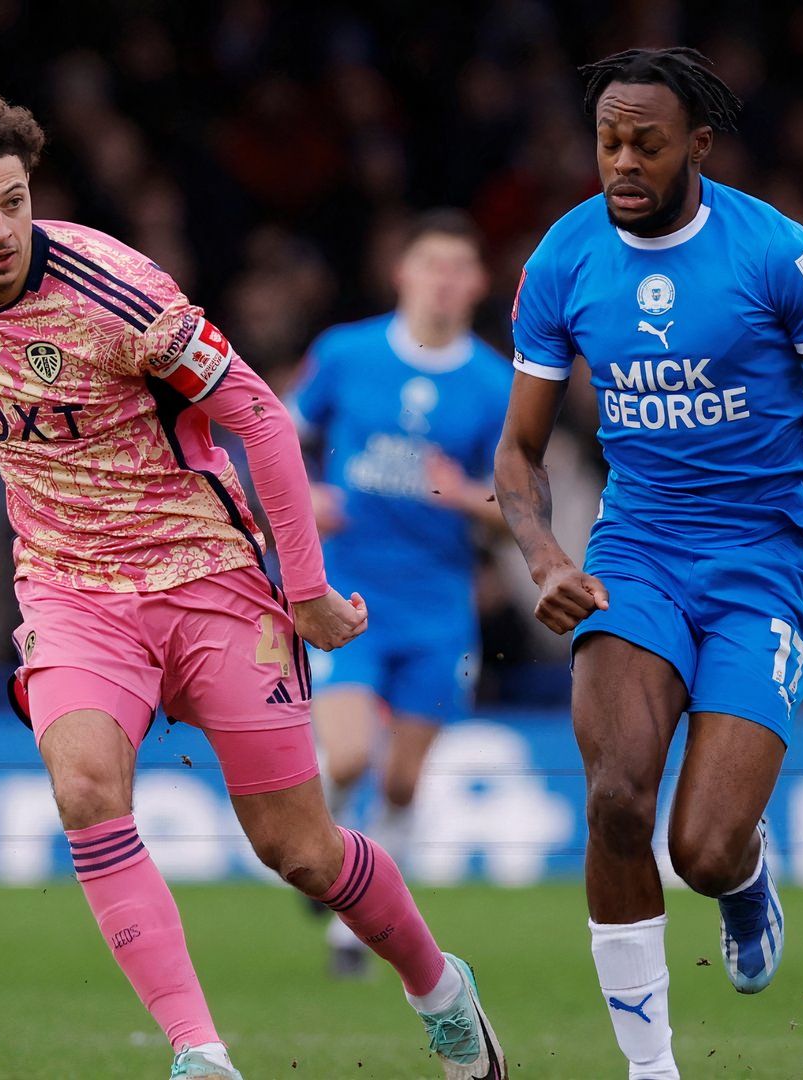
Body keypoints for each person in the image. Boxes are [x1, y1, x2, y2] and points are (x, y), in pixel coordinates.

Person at [0, 93, 505, 1080]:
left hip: (209, 583)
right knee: (86, 789)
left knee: (302, 852)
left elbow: (265, 423)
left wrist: (308, 586)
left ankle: (438, 988)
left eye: (13, 204)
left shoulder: (123, 296)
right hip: (70, 590)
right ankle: (201, 1055)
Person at [494, 48, 803, 1080]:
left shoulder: (781, 256)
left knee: (703, 848)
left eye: (645, 142)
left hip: (764, 570)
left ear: (699, 145)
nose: (622, 163)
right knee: (614, 802)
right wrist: (546, 553)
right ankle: (652, 1069)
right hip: (635, 552)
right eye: (607, 142)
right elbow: (516, 451)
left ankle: (743, 877)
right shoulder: (563, 258)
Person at [288, 209, 512, 977]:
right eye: (431, 265)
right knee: (347, 757)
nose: (444, 281)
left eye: (459, 268)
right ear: (403, 273)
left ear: (478, 284)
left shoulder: (494, 383)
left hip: (439, 603)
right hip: (347, 590)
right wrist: (305, 495)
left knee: (404, 779)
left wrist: (464, 496)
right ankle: (314, 834)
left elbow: (519, 507)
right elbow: (280, 436)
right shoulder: (346, 353)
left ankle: (352, 928)